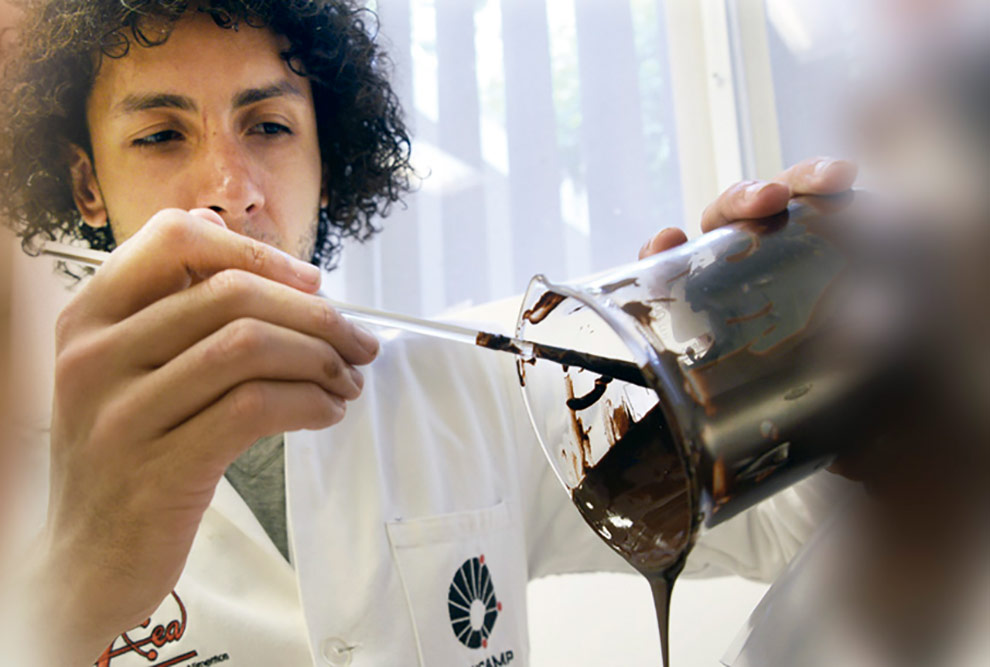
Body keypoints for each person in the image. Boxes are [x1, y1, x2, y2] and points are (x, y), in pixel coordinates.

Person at [0, 2, 856, 665]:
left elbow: (797, 522)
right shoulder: (21, 475)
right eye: (159, 135)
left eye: (268, 126)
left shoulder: (486, 380)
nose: (231, 188)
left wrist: (789, 357)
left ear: (327, 160)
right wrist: (77, 585)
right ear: (87, 185)